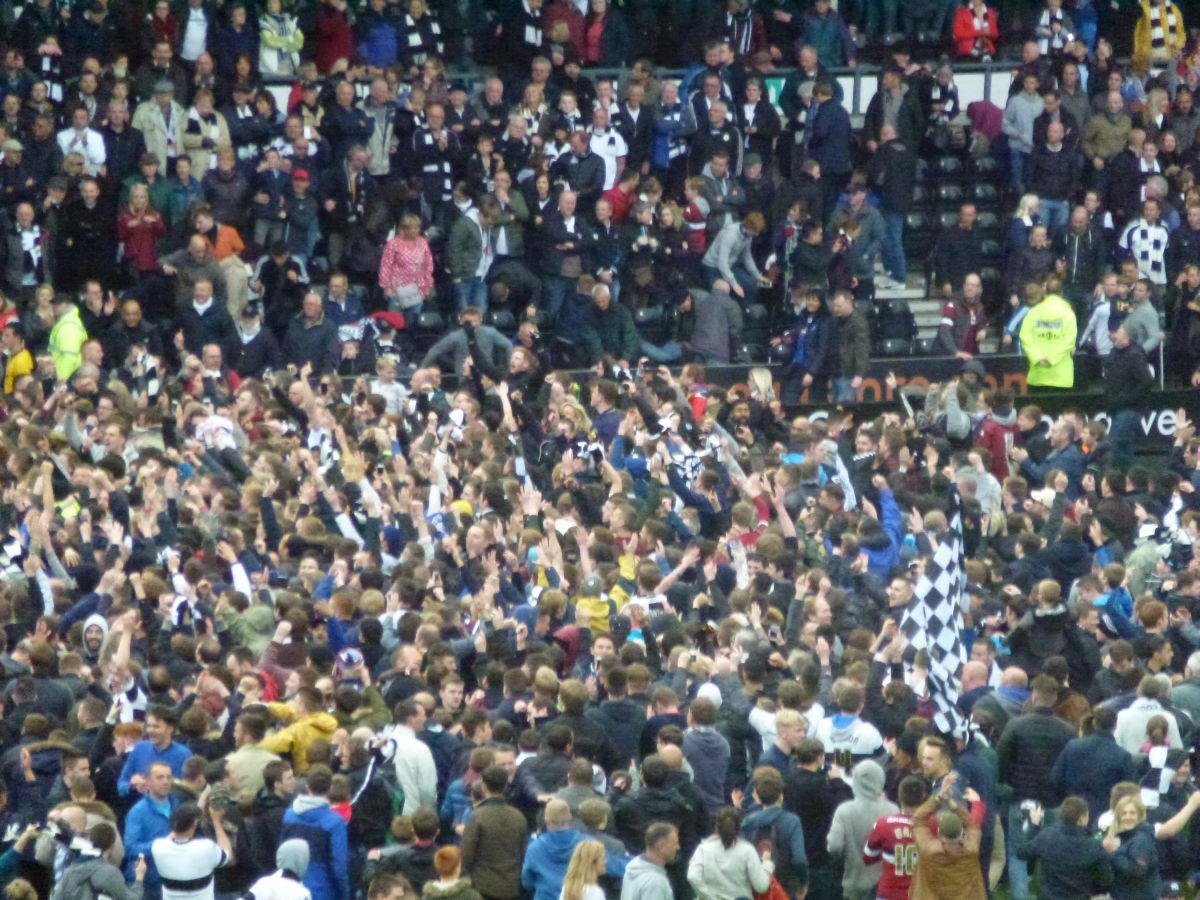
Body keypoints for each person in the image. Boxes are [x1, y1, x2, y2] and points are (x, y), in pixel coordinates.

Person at [1017, 795, 1114, 898]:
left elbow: (1022, 853)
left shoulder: (1047, 836)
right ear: (1082, 818)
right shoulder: (1093, 846)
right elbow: (1105, 880)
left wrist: (1033, 826)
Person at [150, 801, 233, 900]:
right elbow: (227, 854)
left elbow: (172, 835)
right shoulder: (205, 847)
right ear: (194, 824)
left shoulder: (157, 847)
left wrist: (181, 822)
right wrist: (216, 821)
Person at [686, 806, 772, 899]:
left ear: (716, 825)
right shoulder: (747, 850)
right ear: (739, 826)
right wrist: (767, 864)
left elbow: (692, 876)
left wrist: (708, 896)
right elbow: (761, 886)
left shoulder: (703, 849)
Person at [1018, 284, 1077, 389]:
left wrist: (1038, 357)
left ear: (1045, 293)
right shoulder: (1068, 314)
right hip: (1061, 377)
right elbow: (1069, 341)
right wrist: (1052, 359)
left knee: (1036, 406)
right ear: (1061, 293)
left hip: (1038, 375)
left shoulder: (1033, 312)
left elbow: (1024, 336)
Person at [619, 823, 678, 900]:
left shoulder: (634, 867)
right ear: (660, 845)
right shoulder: (655, 883)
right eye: (674, 843)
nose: (678, 847)